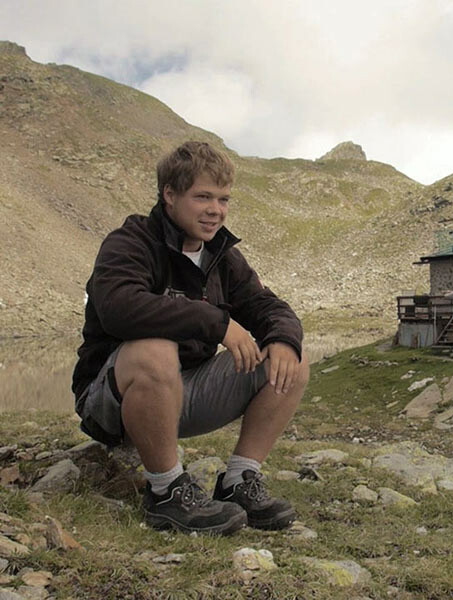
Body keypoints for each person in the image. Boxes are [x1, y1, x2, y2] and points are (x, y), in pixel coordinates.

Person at [72, 141, 309, 535]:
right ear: (170, 194)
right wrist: (216, 323)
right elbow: (119, 308)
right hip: (112, 401)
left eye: (223, 198)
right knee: (155, 349)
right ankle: (166, 493)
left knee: (289, 358)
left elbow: (269, 307)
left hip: (184, 394)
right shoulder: (129, 242)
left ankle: (239, 481)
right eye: (203, 197)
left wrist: (283, 337)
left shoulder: (222, 257)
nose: (216, 210)